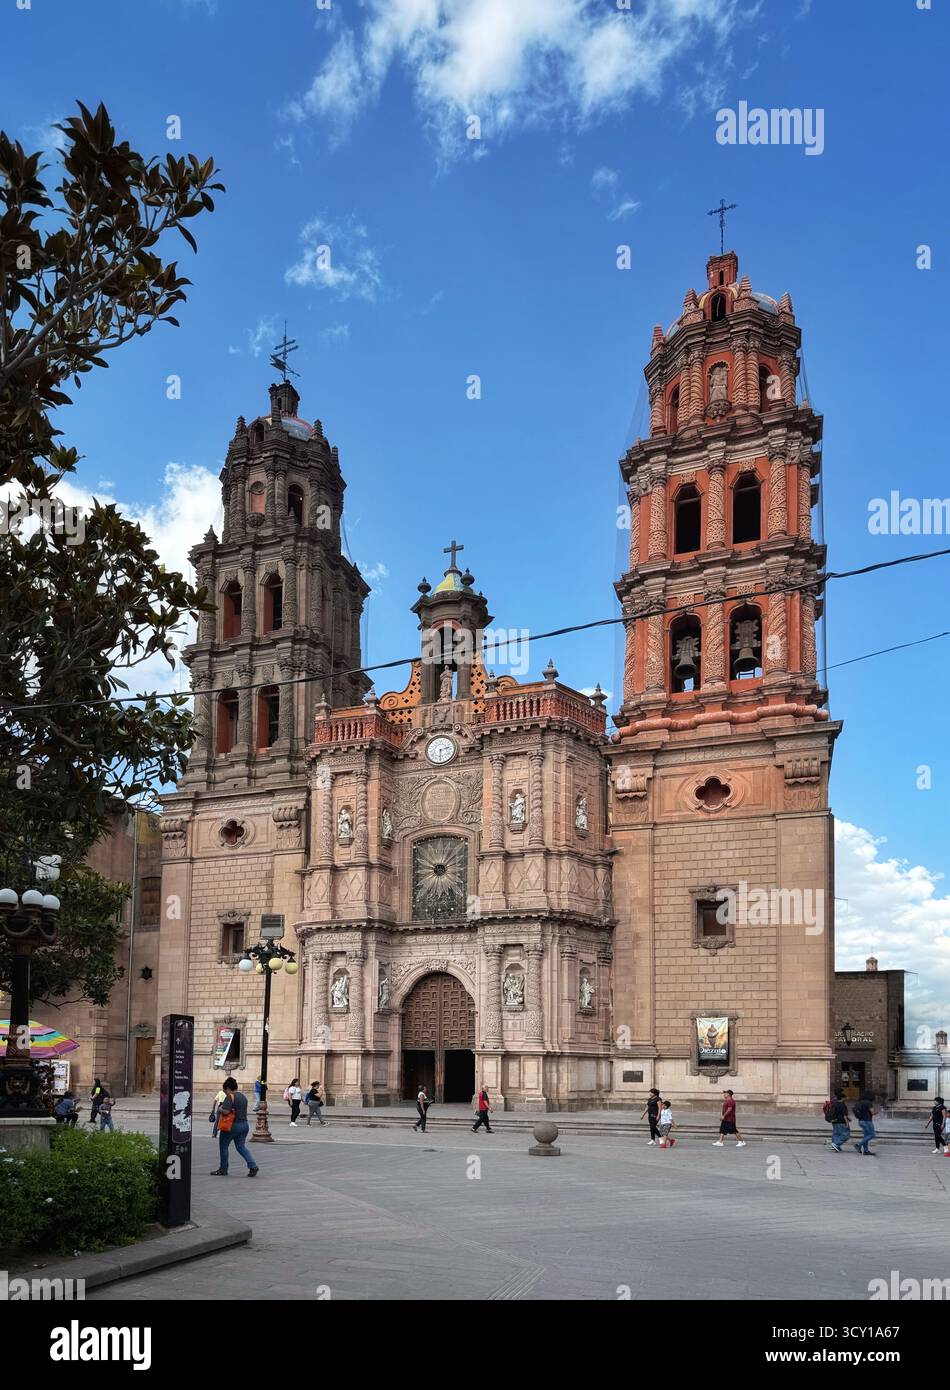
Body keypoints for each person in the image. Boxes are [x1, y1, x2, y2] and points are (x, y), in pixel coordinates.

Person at [210, 1077, 258, 1178]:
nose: (225, 1093)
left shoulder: (230, 1097)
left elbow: (226, 1111)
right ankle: (252, 1165)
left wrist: (219, 1109)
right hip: (244, 1125)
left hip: (232, 1126)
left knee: (223, 1146)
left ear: (227, 1088)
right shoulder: (243, 1096)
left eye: (225, 1091)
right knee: (241, 1147)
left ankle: (223, 1169)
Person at [852, 1091, 877, 1156]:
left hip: (861, 1121)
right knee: (872, 1135)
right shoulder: (868, 1103)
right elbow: (872, 1112)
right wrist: (876, 1112)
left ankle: (866, 1151)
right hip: (867, 1121)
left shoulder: (859, 1102)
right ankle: (858, 1145)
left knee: (866, 1136)